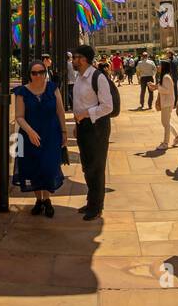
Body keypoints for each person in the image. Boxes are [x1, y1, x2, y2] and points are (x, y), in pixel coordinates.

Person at [13, 59, 66, 217]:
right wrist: (30, 132)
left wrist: (64, 132)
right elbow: (19, 116)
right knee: (33, 168)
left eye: (41, 72)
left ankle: (47, 199)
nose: (38, 76)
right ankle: (39, 200)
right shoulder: (22, 92)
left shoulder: (52, 88)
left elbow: (60, 111)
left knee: (49, 167)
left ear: (45, 73)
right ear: (29, 74)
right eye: (34, 73)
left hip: (51, 134)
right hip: (29, 136)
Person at [70, 44, 114, 220]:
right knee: (87, 166)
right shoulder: (79, 78)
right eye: (74, 57)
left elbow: (107, 106)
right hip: (83, 126)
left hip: (97, 127)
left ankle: (96, 206)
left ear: (85, 59)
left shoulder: (98, 77)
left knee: (96, 167)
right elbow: (79, 103)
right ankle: (91, 200)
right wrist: (77, 122)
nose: (74, 60)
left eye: (77, 57)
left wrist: (86, 114)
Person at [154, 59, 178, 149]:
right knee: (166, 122)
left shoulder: (166, 77)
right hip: (166, 102)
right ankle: (177, 137)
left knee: (165, 123)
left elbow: (167, 90)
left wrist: (157, 87)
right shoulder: (165, 76)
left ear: (163, 67)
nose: (158, 66)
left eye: (159, 65)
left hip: (167, 103)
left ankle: (166, 143)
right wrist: (156, 86)